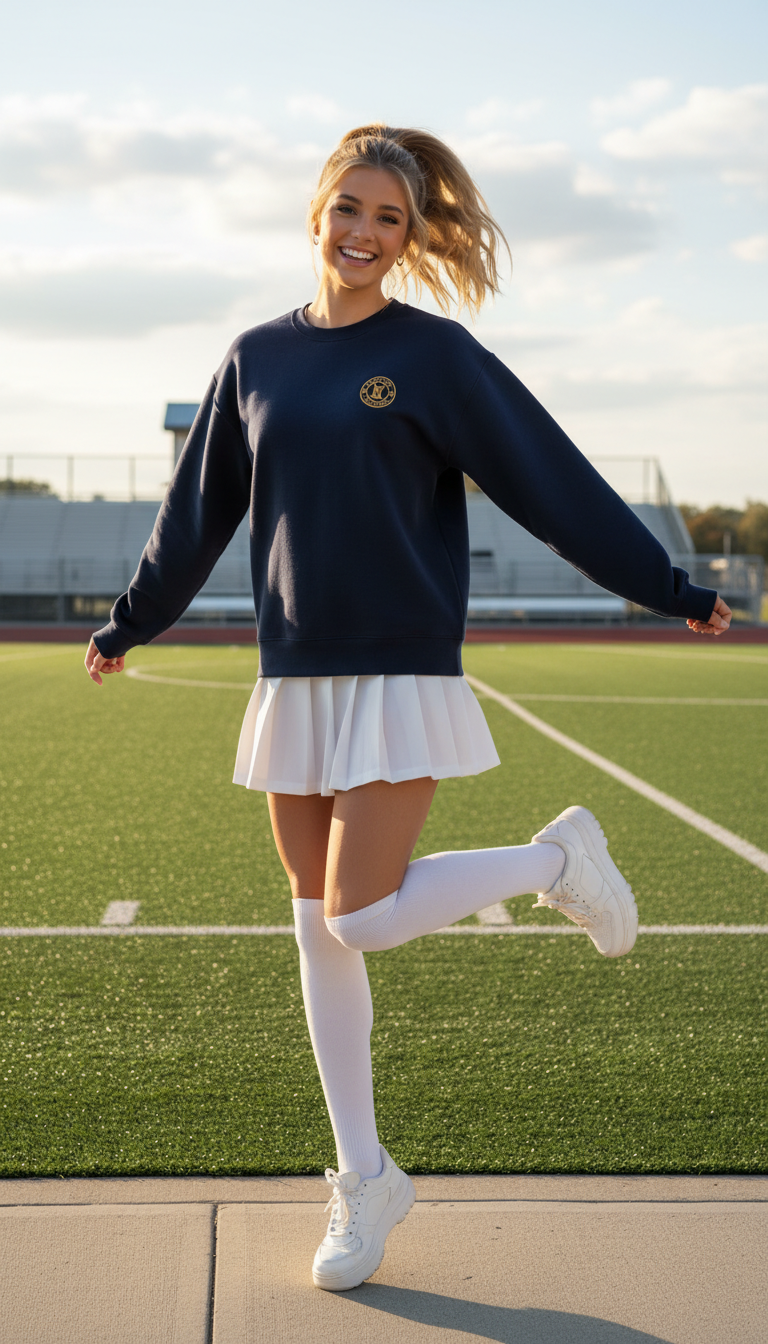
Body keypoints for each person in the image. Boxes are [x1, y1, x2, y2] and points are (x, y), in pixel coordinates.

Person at [85, 123, 731, 1293]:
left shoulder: (434, 356)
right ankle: (365, 1176)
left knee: (363, 916)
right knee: (316, 929)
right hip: (295, 672)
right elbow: (196, 515)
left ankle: (555, 862)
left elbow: (549, 479)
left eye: (390, 219)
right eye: (350, 209)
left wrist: (668, 585)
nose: (365, 234)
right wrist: (130, 622)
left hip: (400, 667)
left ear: (410, 236)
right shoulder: (255, 357)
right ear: (317, 211)